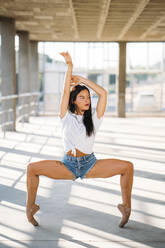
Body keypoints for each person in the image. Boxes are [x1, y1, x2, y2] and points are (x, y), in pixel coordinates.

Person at [26, 51, 134, 228]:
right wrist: (69, 67)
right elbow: (64, 92)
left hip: (89, 164)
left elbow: (104, 93)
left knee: (127, 167)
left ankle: (126, 207)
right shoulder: (65, 116)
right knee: (32, 168)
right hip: (67, 165)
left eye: (88, 98)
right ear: (74, 100)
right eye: (82, 97)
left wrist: (82, 80)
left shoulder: (94, 118)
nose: (87, 101)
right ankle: (30, 208)